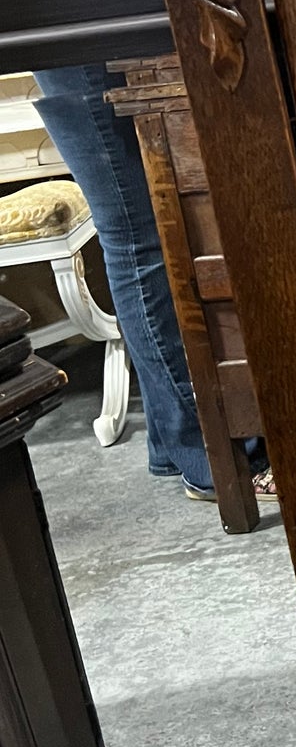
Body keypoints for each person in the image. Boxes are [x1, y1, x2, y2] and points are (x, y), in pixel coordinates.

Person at [33, 64, 270, 504]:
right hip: (77, 26)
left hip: (68, 26)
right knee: (139, 238)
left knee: (143, 236)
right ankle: (210, 453)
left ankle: (177, 443)